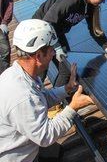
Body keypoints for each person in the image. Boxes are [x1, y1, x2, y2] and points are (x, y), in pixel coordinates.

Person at [0, 19, 94, 161]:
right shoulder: (22, 96)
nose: (53, 54)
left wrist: (67, 88)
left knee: (58, 152)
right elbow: (45, 136)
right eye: (51, 50)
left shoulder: (20, 74)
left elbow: (41, 98)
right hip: (17, 157)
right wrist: (73, 107)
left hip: (25, 140)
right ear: (38, 56)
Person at [32, 0, 107, 87]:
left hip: (56, 33)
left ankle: (58, 101)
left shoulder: (90, 6)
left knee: (66, 70)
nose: (103, 2)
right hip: (39, 31)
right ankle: (34, 99)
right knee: (40, 68)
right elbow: (47, 22)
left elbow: (94, 30)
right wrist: (57, 47)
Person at [0, 0, 13, 74]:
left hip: (0, 25)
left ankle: (3, 78)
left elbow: (9, 4)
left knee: (5, 52)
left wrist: (4, 22)